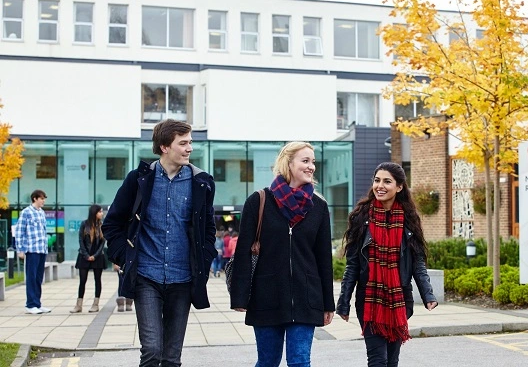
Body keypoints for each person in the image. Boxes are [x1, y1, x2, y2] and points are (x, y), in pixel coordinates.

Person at [103, 119, 217, 367]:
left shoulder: (202, 183)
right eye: (183, 143)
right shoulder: (138, 180)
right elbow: (112, 224)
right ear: (165, 147)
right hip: (146, 277)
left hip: (183, 279)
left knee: (171, 357)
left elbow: (208, 230)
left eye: (190, 143)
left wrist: (204, 258)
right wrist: (125, 257)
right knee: (152, 350)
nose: (190, 149)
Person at [230, 141, 335, 367]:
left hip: (306, 297)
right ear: (288, 163)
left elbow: (323, 258)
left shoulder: (318, 206)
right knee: (267, 361)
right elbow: (243, 253)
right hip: (266, 296)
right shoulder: (258, 201)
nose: (311, 167)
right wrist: (239, 297)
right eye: (305, 161)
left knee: (299, 361)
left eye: (313, 162)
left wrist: (328, 304)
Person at [336, 162, 438, 367]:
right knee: (378, 360)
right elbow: (353, 265)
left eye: (387, 181)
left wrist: (428, 294)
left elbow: (418, 262)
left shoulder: (409, 220)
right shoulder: (361, 217)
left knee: (392, 361)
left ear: (399, 187)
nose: (380, 186)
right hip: (368, 300)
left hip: (400, 299)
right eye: (377, 180)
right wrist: (343, 302)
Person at [14, 189, 52, 314]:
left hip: (42, 249)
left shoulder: (41, 213)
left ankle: (37, 303)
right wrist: (20, 250)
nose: (43, 201)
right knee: (31, 276)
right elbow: (20, 231)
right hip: (31, 249)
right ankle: (30, 304)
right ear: (35, 198)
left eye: (44, 198)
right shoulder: (26, 212)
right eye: (41, 198)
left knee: (38, 277)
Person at [71, 204, 107, 313]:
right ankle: (78, 305)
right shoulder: (84, 224)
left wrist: (95, 255)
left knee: (97, 280)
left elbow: (102, 243)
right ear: (94, 213)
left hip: (98, 257)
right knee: (82, 280)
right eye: (100, 212)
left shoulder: (102, 225)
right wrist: (86, 255)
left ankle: (95, 304)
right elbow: (81, 240)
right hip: (84, 256)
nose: (102, 213)